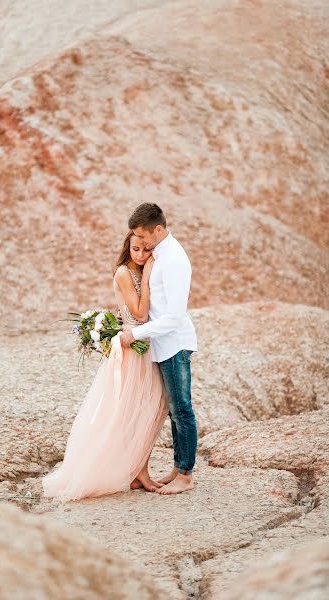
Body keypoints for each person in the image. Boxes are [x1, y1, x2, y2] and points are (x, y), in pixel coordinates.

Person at [42, 232, 169, 503]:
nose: (140, 255)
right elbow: (141, 314)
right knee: (127, 409)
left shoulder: (147, 268)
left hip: (146, 344)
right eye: (135, 249)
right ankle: (134, 471)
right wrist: (147, 276)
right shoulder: (125, 273)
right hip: (132, 349)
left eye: (146, 250)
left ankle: (139, 469)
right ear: (128, 247)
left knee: (151, 409)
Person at [120, 202, 198, 495]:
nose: (139, 242)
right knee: (173, 411)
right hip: (162, 344)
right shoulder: (159, 255)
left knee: (182, 410)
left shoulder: (174, 259)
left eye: (143, 236)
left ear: (158, 229)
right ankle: (178, 467)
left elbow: (174, 316)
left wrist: (138, 333)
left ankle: (187, 475)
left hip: (175, 344)